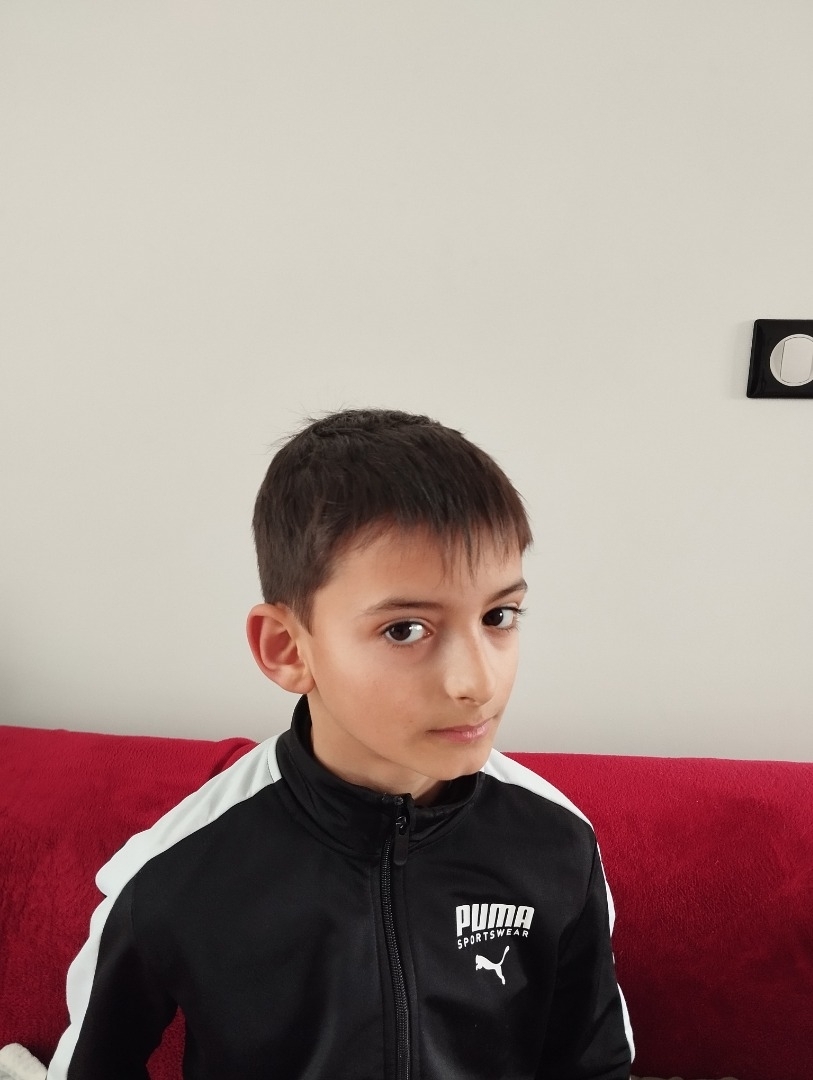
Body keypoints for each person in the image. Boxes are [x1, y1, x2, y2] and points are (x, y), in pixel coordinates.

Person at [48, 408, 633, 1080]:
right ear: (287, 648)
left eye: (498, 616)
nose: (477, 682)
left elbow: (591, 1065)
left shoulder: (556, 842)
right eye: (405, 630)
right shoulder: (174, 870)